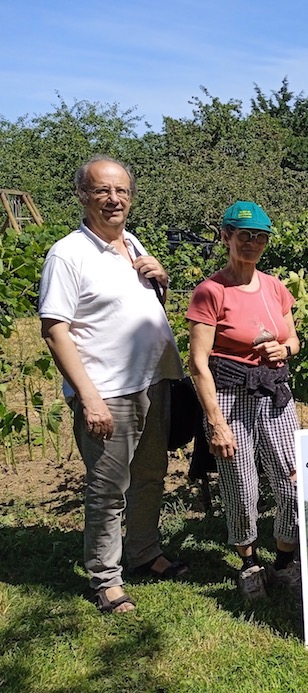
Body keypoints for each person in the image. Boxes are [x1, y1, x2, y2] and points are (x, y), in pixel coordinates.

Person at [39, 155, 186, 613]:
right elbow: (54, 329)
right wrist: (88, 396)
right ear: (83, 196)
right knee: (108, 488)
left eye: (121, 191)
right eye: (102, 190)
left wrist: (160, 280)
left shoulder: (132, 243)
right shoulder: (68, 253)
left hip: (152, 380)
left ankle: (143, 553)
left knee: (150, 476)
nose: (113, 199)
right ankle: (105, 577)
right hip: (108, 391)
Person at [187, 201, 301, 598]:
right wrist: (215, 422)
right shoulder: (210, 292)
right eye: (243, 235)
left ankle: (285, 562)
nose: (252, 243)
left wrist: (283, 351)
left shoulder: (275, 287)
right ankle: (250, 563)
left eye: (259, 236)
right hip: (231, 397)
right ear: (226, 237)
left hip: (274, 394)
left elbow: (293, 339)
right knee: (241, 487)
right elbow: (198, 363)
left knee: (292, 483)